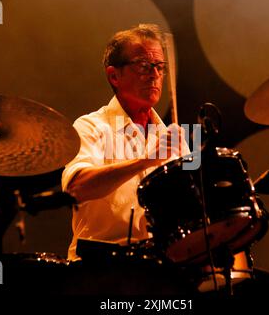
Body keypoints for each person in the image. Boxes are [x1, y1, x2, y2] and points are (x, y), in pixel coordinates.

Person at [61, 24, 188, 261]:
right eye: (143, 66)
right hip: (99, 267)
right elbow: (77, 189)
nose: (155, 74)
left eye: (160, 66)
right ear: (114, 75)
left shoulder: (176, 137)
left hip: (161, 265)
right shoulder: (89, 127)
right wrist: (147, 160)